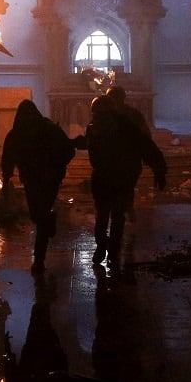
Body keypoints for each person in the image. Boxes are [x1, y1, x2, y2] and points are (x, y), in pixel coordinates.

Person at [74, 95, 167, 270]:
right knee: (113, 216)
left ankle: (106, 249)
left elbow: (145, 147)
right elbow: (147, 147)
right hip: (116, 178)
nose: (100, 118)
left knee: (106, 216)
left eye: (102, 115)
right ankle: (110, 250)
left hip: (112, 178)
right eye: (98, 115)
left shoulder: (116, 128)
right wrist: (159, 170)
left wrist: (159, 170)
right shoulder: (104, 128)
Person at [0, 98, 77, 272]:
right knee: (37, 215)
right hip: (37, 178)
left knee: (39, 216)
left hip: (43, 179)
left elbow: (8, 157)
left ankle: (39, 260)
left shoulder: (21, 132)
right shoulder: (41, 130)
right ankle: (49, 220)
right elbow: (8, 157)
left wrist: (56, 167)